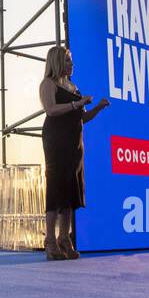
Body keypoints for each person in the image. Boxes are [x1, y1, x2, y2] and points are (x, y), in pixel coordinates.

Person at [39, 45, 109, 260]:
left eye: (71, 60)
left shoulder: (73, 86)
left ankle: (65, 239)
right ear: (58, 62)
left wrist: (96, 108)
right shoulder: (48, 84)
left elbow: (82, 117)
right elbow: (51, 110)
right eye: (68, 61)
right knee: (56, 189)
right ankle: (50, 241)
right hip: (56, 141)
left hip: (74, 143)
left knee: (71, 191)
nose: (72, 64)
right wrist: (76, 103)